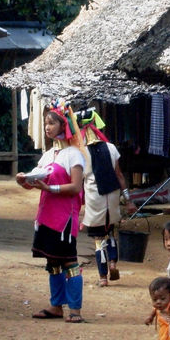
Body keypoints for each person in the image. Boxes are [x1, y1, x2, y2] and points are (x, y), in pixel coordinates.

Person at [16, 104, 86, 323]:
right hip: (46, 215)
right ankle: (56, 306)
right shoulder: (47, 155)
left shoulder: (74, 155)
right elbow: (37, 182)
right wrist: (24, 181)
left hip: (64, 218)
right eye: (46, 123)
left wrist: (50, 189)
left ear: (64, 126)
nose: (47, 127)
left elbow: (76, 187)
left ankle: (75, 310)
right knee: (52, 262)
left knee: (69, 262)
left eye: (52, 122)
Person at [79, 120, 136, 287]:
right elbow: (119, 175)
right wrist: (128, 200)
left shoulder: (81, 152)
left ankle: (103, 278)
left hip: (94, 197)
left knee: (98, 239)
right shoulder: (111, 148)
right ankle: (113, 263)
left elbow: (79, 178)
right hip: (112, 195)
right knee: (110, 232)